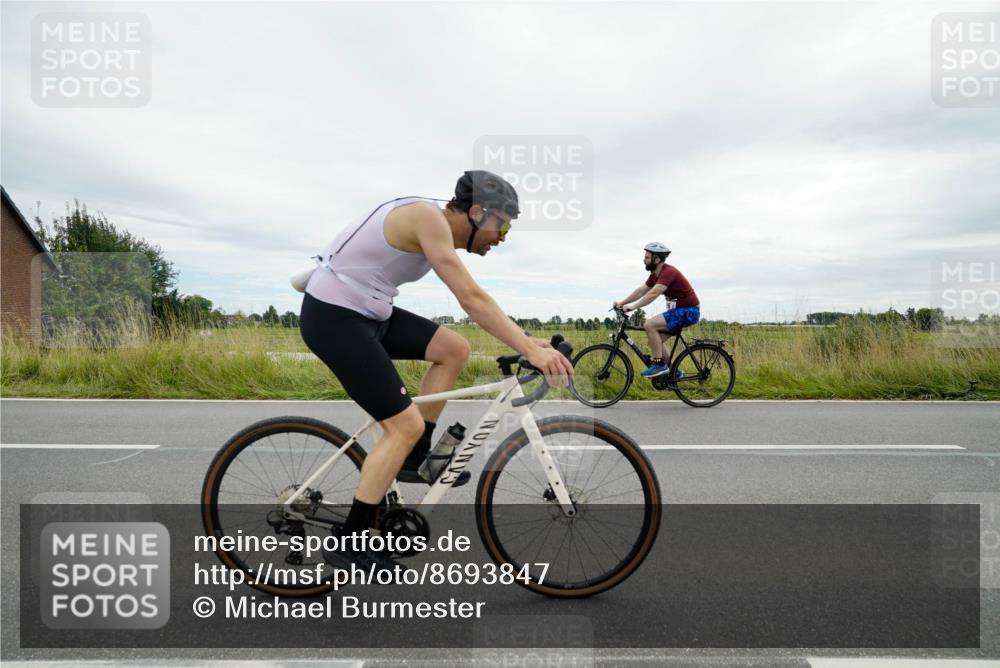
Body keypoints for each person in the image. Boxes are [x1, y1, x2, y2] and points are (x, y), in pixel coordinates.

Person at [298, 170, 574, 571]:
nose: (502, 237)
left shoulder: (434, 226)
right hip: (334, 317)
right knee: (403, 425)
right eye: (502, 226)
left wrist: (529, 341)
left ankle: (414, 458)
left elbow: (479, 301)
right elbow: (471, 298)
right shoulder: (427, 218)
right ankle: (350, 542)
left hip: (369, 313)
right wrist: (528, 348)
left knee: (453, 349)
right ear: (476, 212)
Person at [613, 242, 701, 378]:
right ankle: (674, 372)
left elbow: (654, 293)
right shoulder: (655, 275)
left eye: (647, 257)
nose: (644, 260)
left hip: (688, 311)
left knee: (649, 324)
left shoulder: (668, 272)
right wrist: (622, 303)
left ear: (657, 259)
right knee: (654, 343)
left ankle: (659, 365)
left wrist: (633, 307)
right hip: (678, 312)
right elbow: (641, 290)